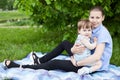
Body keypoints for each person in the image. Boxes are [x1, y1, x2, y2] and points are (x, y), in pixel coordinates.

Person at [3, 6, 112, 75]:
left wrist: (77, 63)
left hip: (91, 64)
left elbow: (97, 57)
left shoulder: (102, 33)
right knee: (65, 43)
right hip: (86, 55)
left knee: (54, 63)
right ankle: (40, 61)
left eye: (98, 18)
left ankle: (19, 66)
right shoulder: (92, 28)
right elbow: (81, 43)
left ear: (103, 18)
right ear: (89, 17)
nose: (94, 20)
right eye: (92, 17)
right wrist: (73, 50)